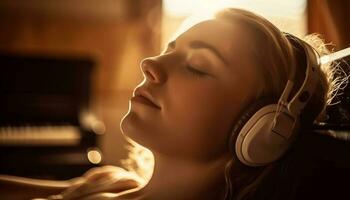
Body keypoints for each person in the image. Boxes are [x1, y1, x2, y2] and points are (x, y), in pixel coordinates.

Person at [0, 8, 348, 200]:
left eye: (197, 66)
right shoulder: (112, 181)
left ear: (259, 130)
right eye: (169, 49)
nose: (149, 64)